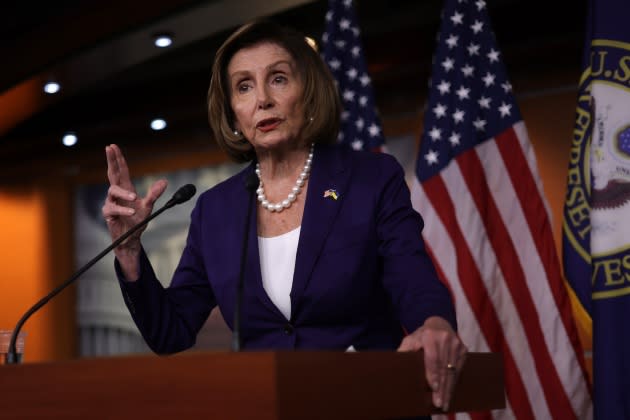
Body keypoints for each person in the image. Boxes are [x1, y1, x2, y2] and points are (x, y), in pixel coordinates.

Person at [102, 20, 467, 412]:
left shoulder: (371, 179)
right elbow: (170, 331)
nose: (262, 99)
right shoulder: (215, 210)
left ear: (308, 93)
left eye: (277, 79)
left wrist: (435, 324)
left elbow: (412, 275)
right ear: (233, 113)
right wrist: (129, 251)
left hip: (365, 402)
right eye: (244, 86)